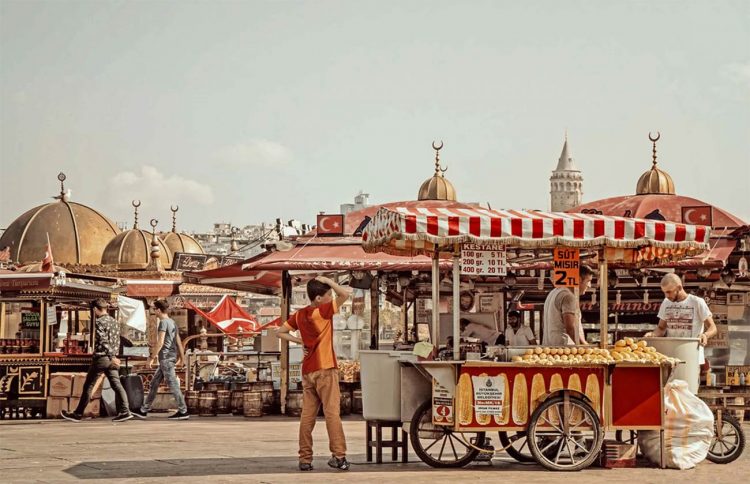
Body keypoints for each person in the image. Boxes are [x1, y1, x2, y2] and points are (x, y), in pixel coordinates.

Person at [276, 276, 352, 472]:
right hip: (326, 369)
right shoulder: (323, 312)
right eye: (328, 295)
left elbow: (280, 332)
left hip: (308, 371)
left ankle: (305, 459)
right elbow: (345, 294)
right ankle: (339, 456)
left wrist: (301, 342)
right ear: (319, 298)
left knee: (307, 416)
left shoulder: (300, 315)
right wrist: (329, 279)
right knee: (332, 414)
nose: (331, 297)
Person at [62, 299, 132, 422]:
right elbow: (117, 341)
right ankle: (125, 411)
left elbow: (103, 341)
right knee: (117, 385)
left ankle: (78, 414)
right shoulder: (114, 322)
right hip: (112, 359)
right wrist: (114, 356)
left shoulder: (99, 322)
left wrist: (110, 355)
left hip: (102, 358)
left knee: (89, 385)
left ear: (95, 309)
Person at [131, 299, 188, 420]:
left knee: (173, 384)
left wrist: (151, 358)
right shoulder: (172, 322)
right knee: (154, 383)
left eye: (154, 309)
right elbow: (178, 342)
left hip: (166, 358)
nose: (153, 311)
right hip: (169, 358)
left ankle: (183, 410)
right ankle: (144, 409)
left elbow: (160, 342)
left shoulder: (163, 323)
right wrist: (182, 358)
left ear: (158, 310)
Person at [646, 273, 717, 366]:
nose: (666, 295)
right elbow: (661, 328)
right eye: (664, 292)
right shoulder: (666, 303)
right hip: (670, 357)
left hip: (692, 356)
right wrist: (652, 334)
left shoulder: (697, 302)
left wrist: (705, 335)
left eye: (669, 292)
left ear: (679, 288)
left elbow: (713, 327)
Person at [542, 264, 594, 346]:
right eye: (588, 281)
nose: (589, 285)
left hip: (551, 348)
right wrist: (585, 347)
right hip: (564, 350)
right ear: (579, 279)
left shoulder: (554, 292)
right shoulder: (568, 296)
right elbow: (570, 328)